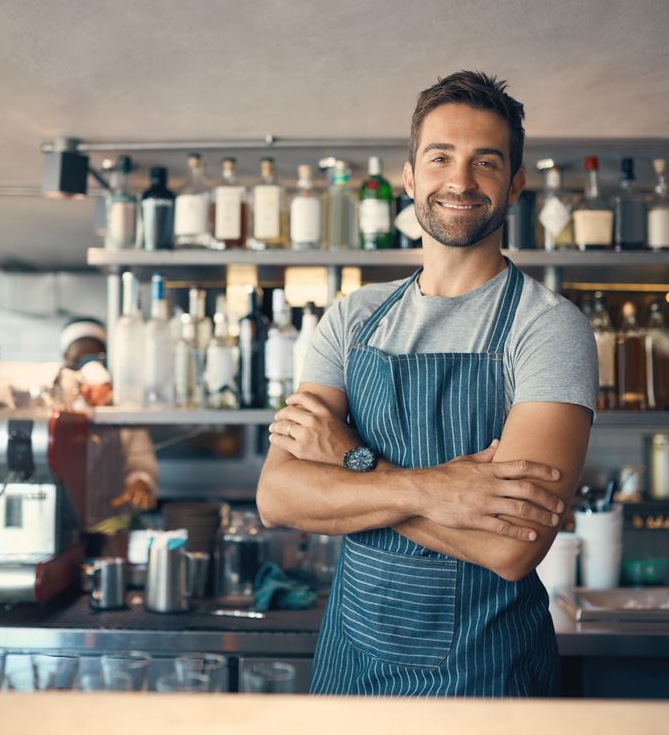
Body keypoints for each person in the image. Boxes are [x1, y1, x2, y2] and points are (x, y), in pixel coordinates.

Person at [256, 71, 597, 697]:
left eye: (485, 162)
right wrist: (443, 494)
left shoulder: (549, 329)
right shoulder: (352, 319)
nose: (460, 181)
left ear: (515, 185)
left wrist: (346, 462)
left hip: (487, 674)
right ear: (410, 176)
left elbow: (512, 550)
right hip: (349, 667)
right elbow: (278, 497)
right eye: (440, 157)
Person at [60, 318, 158, 513]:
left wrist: (140, 483)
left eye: (94, 359)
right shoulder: (55, 405)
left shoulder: (124, 411)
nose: (87, 370)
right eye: (77, 362)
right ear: (65, 363)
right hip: (63, 512)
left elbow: (142, 466)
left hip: (112, 518)